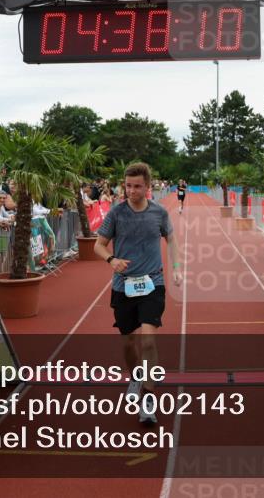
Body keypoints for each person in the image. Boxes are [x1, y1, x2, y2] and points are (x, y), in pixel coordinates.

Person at [94, 162, 180, 426]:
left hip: (153, 283)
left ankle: (148, 398)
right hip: (123, 286)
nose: (131, 191)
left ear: (148, 186)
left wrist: (176, 268)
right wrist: (111, 260)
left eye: (137, 186)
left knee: (148, 341)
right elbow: (99, 245)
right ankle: (135, 376)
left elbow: (171, 239)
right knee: (129, 343)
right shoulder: (116, 214)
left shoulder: (159, 213)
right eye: (128, 186)